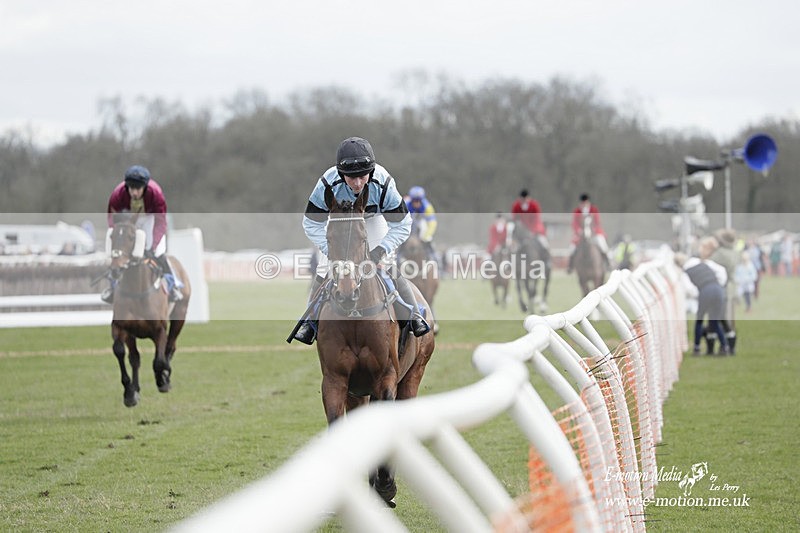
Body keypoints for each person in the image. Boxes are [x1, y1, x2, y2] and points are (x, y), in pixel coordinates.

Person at [291, 136, 430, 345]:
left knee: (388, 266)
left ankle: (413, 316)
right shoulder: (327, 184)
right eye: (350, 177)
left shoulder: (383, 182)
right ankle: (309, 323)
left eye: (362, 177)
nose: (357, 183)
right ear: (341, 174)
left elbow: (402, 224)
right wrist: (332, 250)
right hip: (339, 225)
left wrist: (380, 251)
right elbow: (311, 223)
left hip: (373, 223)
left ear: (371, 171)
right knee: (323, 269)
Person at [103, 165, 183, 303]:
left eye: (137, 189)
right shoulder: (118, 194)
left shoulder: (156, 194)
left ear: (145, 187)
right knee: (119, 252)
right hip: (127, 219)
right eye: (131, 188)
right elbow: (111, 218)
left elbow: (160, 222)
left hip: (150, 218)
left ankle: (173, 285)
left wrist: (153, 246)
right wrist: (117, 236)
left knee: (157, 252)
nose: (134, 192)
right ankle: (112, 287)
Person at [675, 237, 730, 355]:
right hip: (718, 288)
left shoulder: (685, 271)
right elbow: (721, 272)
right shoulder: (701, 262)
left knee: (699, 320)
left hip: (705, 291)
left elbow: (690, 289)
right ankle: (724, 346)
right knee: (715, 321)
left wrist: (699, 295)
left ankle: (697, 348)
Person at [710, 229, 739, 354]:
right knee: (727, 318)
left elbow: (708, 264)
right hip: (730, 288)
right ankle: (729, 345)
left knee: (719, 318)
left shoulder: (720, 253)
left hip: (720, 288)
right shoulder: (734, 252)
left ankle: (724, 346)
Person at [567, 193, 610, 273]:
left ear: (588, 203)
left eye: (585, 203)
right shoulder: (577, 211)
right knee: (571, 248)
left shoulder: (594, 210)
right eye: (582, 203)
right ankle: (570, 267)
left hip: (594, 234)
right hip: (580, 235)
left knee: (603, 245)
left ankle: (607, 264)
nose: (584, 205)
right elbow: (574, 224)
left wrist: (593, 230)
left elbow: (598, 223)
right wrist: (578, 231)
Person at [404, 186, 438, 263]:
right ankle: (397, 258)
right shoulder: (405, 204)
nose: (416, 203)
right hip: (408, 225)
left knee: (429, 241)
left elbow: (432, 223)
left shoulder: (427, 207)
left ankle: (435, 262)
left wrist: (426, 236)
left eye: (418, 201)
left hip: (422, 226)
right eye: (414, 201)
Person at [510, 189, 550, 255]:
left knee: (544, 244)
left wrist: (532, 231)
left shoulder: (534, 205)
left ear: (529, 198)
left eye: (525, 199)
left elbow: (536, 219)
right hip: (522, 232)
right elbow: (515, 219)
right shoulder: (516, 205)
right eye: (522, 200)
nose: (524, 201)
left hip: (535, 230)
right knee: (512, 247)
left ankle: (547, 261)